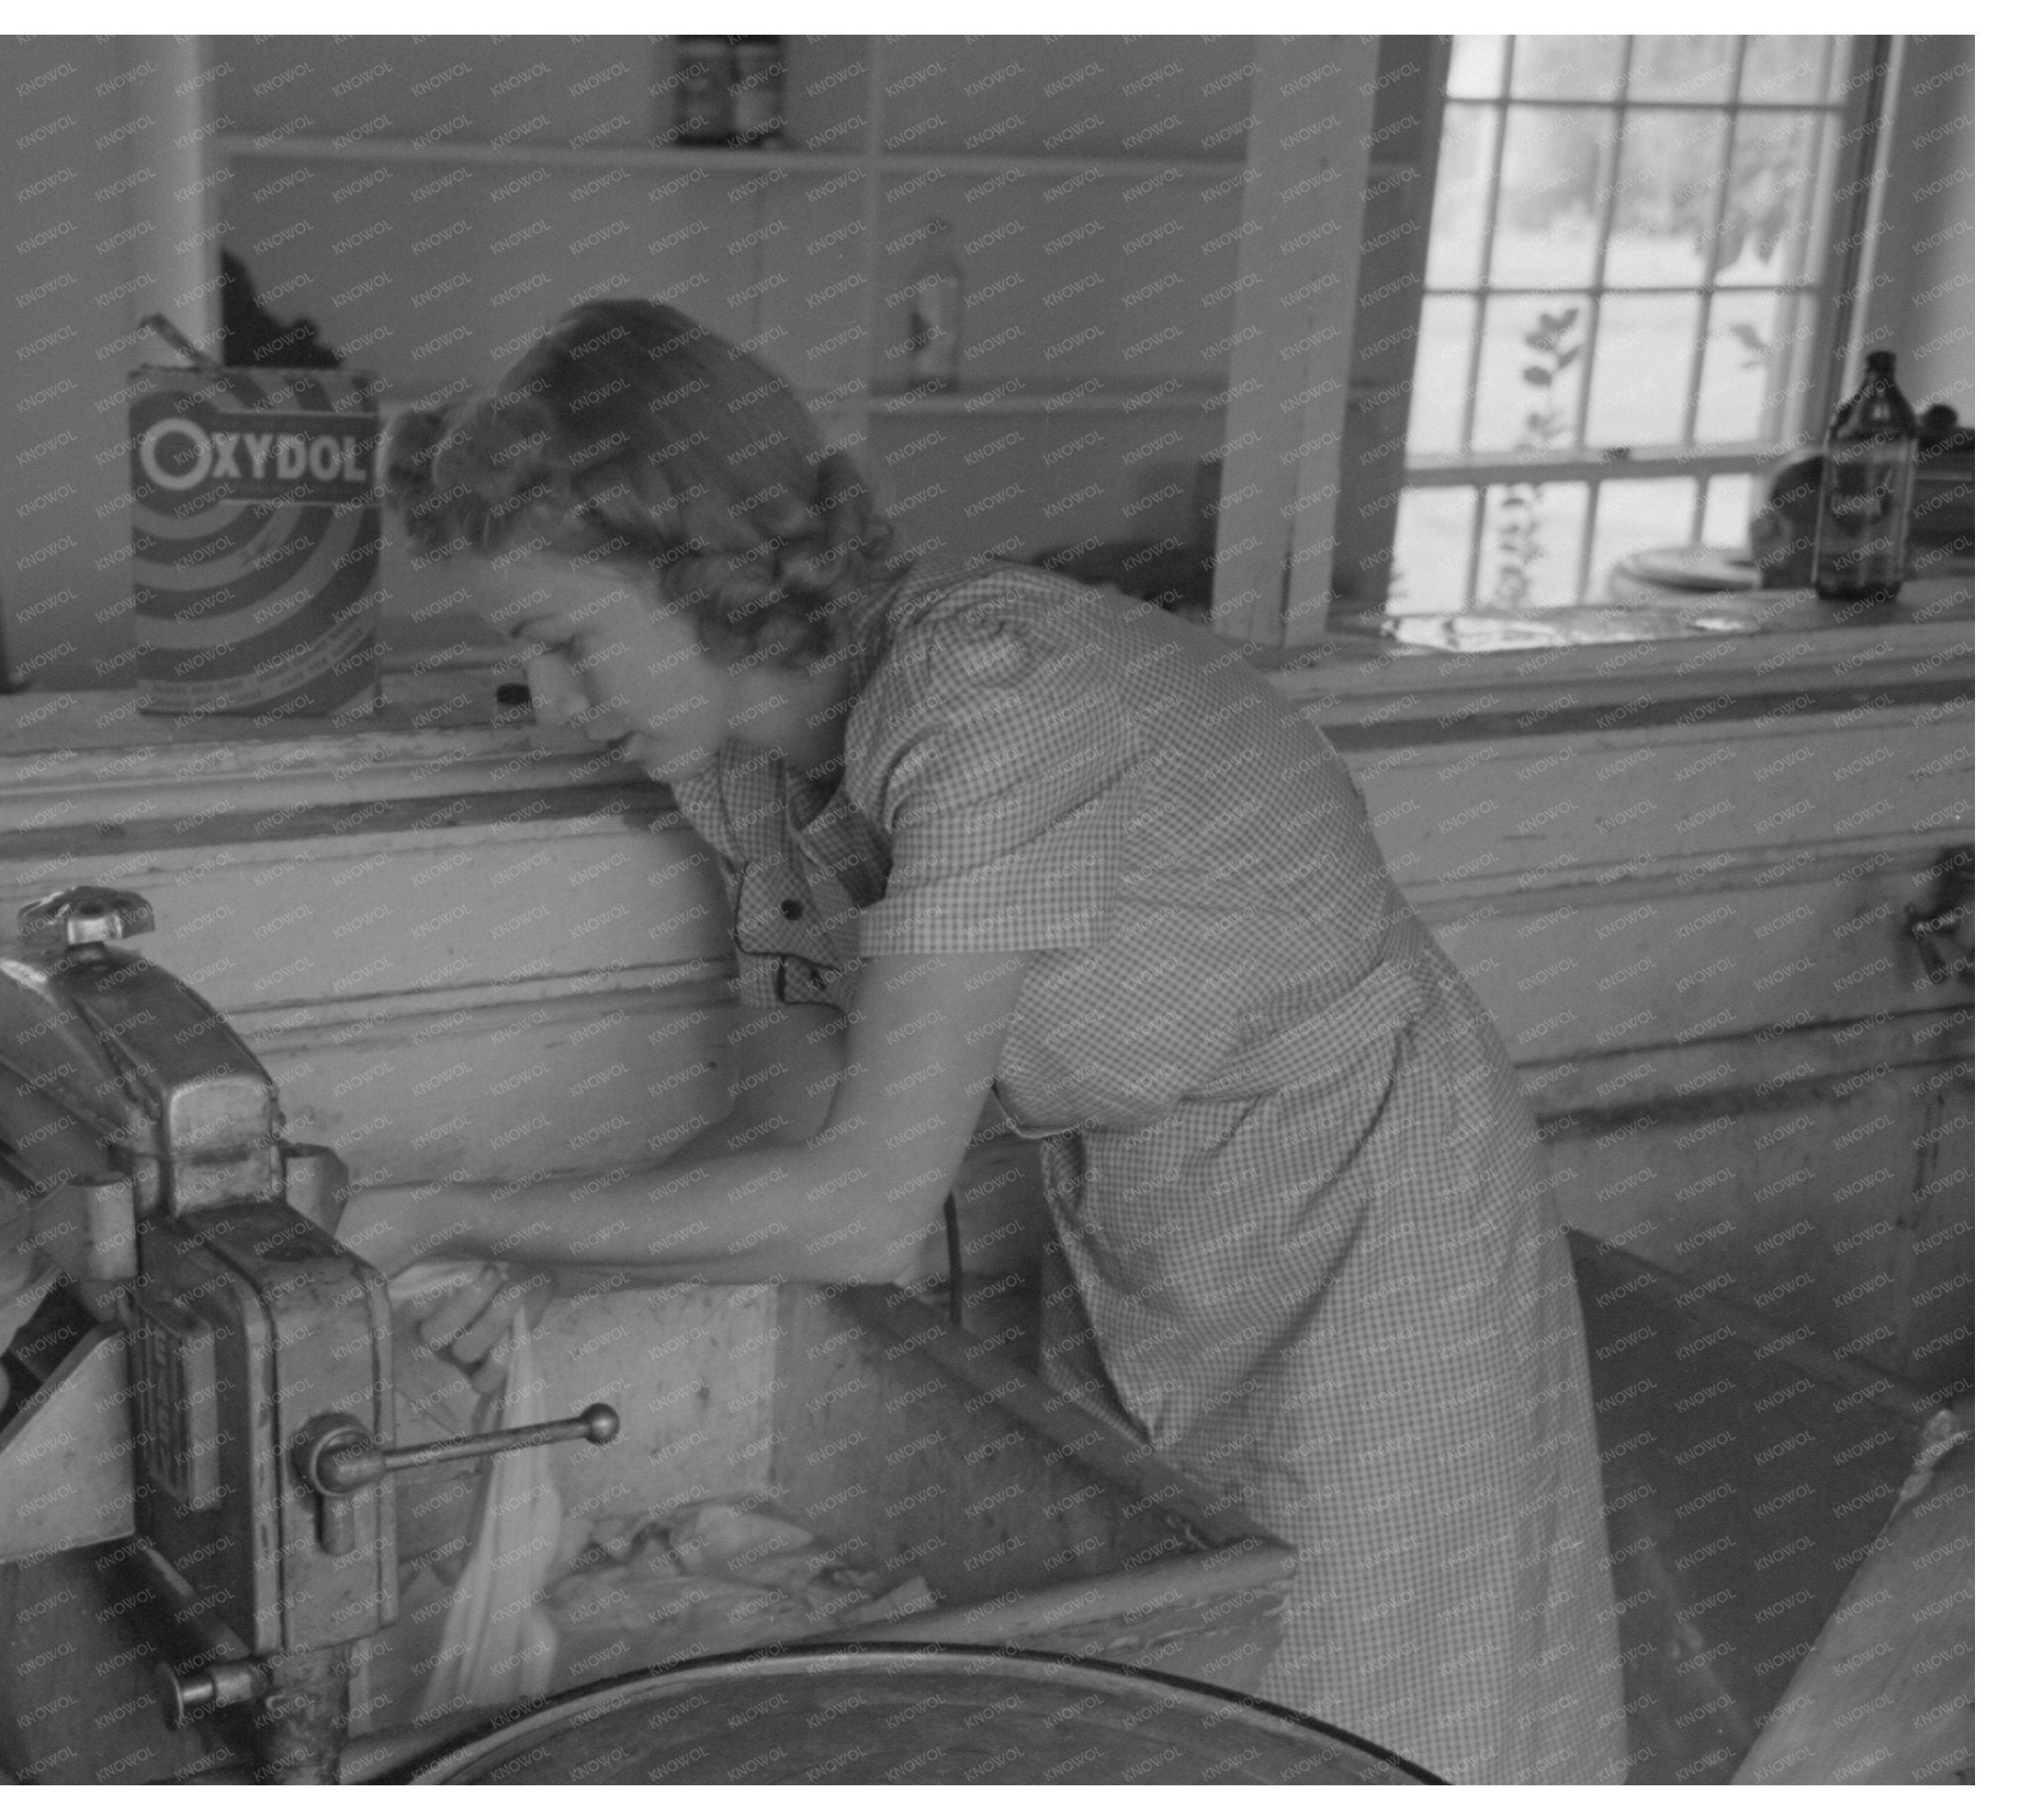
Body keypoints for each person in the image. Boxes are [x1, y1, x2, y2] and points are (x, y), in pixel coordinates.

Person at [340, 299, 1628, 1783]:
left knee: (1358, 1697)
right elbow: (800, 1152)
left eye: (563, 641)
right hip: (1151, 1195)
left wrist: (451, 1212)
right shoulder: (742, 774)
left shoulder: (982, 703)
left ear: (695, 572)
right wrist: (517, 1265)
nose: (553, 706)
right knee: (1178, 1675)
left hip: (1369, 1201)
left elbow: (866, 1205)